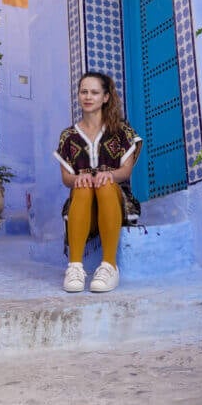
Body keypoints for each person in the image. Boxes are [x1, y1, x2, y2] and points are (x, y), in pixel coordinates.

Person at [54, 71, 142, 293]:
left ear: (105, 97)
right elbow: (66, 178)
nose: (88, 97)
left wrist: (109, 175)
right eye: (84, 91)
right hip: (82, 208)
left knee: (103, 183)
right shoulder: (68, 137)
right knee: (82, 186)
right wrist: (78, 178)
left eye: (94, 92)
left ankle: (109, 266)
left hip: (115, 203)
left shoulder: (121, 131)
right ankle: (74, 267)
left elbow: (126, 171)